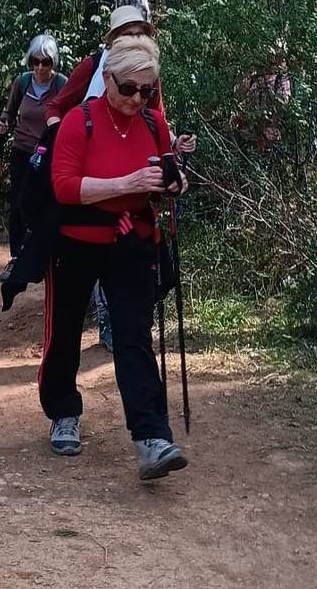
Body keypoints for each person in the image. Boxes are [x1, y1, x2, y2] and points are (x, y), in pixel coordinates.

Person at [41, 35, 188, 480]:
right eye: (129, 89)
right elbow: (65, 186)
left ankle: (151, 438)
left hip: (131, 241)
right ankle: (63, 412)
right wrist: (125, 183)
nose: (137, 99)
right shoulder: (77, 121)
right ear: (107, 79)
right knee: (66, 331)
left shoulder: (153, 122)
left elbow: (166, 173)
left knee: (132, 336)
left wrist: (174, 182)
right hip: (78, 242)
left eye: (147, 90)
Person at [44, 4, 196, 351]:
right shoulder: (93, 66)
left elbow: (156, 123)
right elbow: (57, 106)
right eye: (128, 33)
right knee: (68, 321)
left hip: (132, 230)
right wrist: (60, 138)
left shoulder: (148, 79)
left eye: (140, 32)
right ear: (114, 39)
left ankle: (111, 326)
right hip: (82, 200)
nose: (135, 38)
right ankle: (99, 324)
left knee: (134, 331)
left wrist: (172, 165)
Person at [0, 35, 66, 260]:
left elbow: (71, 114)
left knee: (46, 201)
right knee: (18, 201)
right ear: (30, 61)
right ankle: (17, 256)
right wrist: (2, 123)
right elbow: (10, 111)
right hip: (22, 149)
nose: (40, 67)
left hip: (49, 153)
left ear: (53, 62)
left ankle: (43, 253)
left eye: (46, 62)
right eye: (36, 61)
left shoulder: (61, 84)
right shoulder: (22, 82)